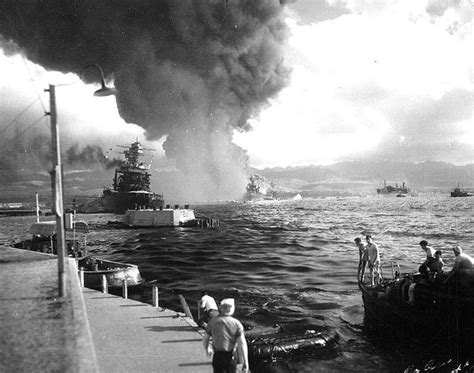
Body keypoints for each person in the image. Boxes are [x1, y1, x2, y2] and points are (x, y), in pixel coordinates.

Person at [203, 298, 249, 373]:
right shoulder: (236, 324)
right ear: (233, 308)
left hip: (217, 356)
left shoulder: (212, 322)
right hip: (231, 356)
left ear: (221, 308)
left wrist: (207, 349)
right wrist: (245, 362)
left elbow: (205, 340)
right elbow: (242, 344)